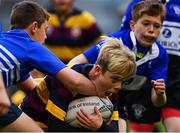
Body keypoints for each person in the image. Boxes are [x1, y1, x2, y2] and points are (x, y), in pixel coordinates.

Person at [68, 0, 168, 132]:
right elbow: (76, 62)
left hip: (123, 101)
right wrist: (72, 83)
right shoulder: (115, 42)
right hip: (96, 94)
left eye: (157, 26)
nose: (151, 30)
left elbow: (158, 102)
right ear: (132, 25)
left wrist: (160, 94)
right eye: (145, 24)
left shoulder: (159, 55)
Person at [0, 1, 99, 131]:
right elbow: (74, 81)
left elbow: (32, 86)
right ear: (34, 27)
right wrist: (102, 91)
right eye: (45, 29)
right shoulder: (30, 46)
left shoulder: (7, 44)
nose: (46, 37)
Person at [20, 37, 136, 131]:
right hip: (31, 121)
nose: (119, 86)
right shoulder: (67, 80)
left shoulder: (110, 89)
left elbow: (114, 129)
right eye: (115, 79)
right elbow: (56, 127)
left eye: (123, 81)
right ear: (97, 71)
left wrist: (100, 126)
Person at [119, 0, 180, 132]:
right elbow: (125, 37)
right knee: (142, 129)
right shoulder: (138, 3)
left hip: (176, 79)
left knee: (176, 128)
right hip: (145, 77)